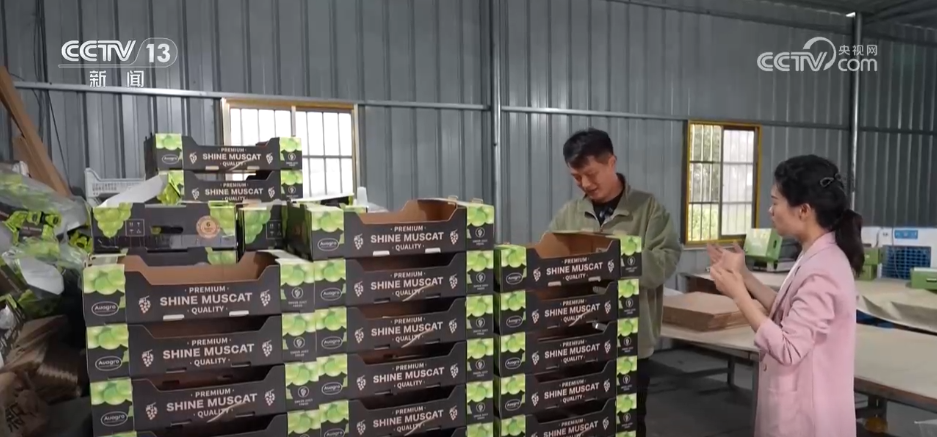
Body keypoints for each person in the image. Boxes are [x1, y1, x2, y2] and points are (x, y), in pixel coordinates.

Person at [707, 154, 862, 437]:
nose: (770, 210)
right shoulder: (814, 254)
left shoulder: (824, 269)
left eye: (775, 202)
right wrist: (744, 276)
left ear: (803, 210)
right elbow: (787, 311)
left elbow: (789, 348)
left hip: (809, 418)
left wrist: (739, 295)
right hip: (799, 406)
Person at [547, 128, 682, 437]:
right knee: (581, 420)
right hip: (580, 341)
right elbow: (549, 260)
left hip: (630, 343)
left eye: (591, 174)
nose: (585, 184)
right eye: (576, 177)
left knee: (627, 422)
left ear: (611, 162)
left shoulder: (649, 210)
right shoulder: (569, 215)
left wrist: (616, 260)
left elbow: (665, 261)